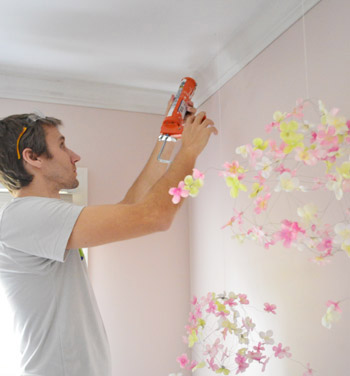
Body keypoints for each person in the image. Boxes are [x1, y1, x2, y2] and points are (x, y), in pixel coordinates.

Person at [0, 98, 217, 376]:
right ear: (33, 157)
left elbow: (130, 209)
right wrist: (190, 151)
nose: (75, 156)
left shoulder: (41, 218)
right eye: (62, 145)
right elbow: (153, 217)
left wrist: (169, 136)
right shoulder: (25, 216)